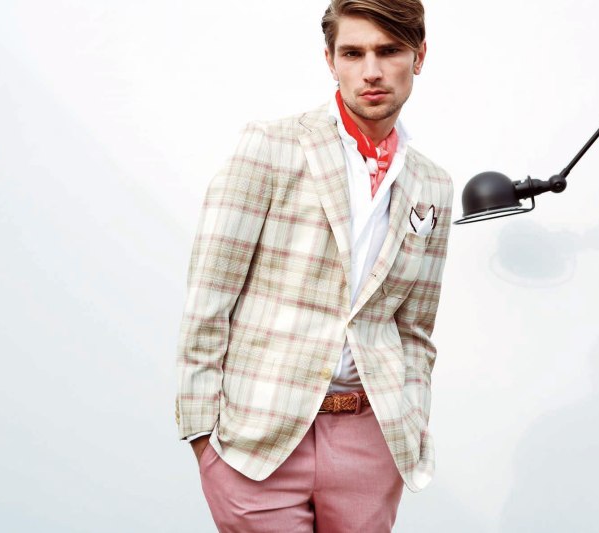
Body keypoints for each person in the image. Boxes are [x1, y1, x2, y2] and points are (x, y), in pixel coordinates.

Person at [175, 1, 453, 530]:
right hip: (257, 442)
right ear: (330, 60)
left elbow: (415, 328)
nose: (371, 71)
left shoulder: (433, 184)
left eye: (389, 51)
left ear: (419, 56)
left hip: (370, 442)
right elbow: (209, 296)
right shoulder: (271, 146)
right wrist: (202, 436)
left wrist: (411, 420)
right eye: (353, 53)